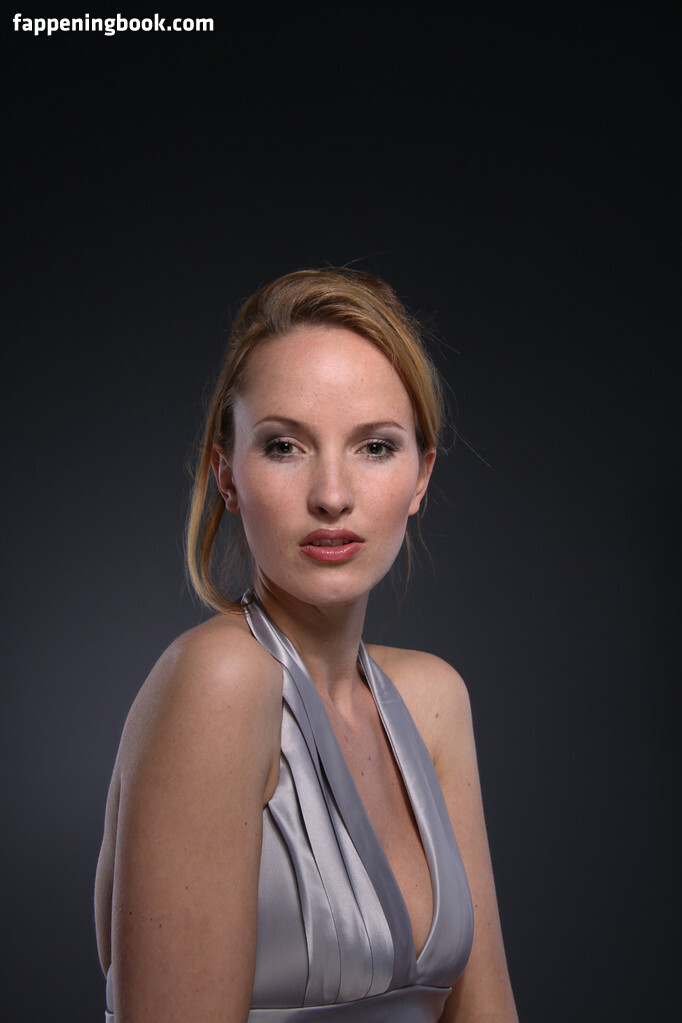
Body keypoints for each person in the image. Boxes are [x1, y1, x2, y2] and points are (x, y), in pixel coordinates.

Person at [94, 268, 518, 1022]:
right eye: (285, 446)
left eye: (374, 447)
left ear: (420, 477)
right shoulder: (220, 679)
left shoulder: (432, 699)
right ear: (227, 473)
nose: (331, 494)